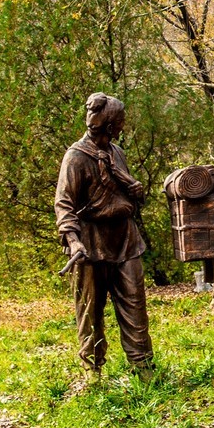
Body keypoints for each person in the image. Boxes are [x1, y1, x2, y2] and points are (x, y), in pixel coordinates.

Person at [54, 92, 154, 378]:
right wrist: (73, 241)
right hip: (91, 243)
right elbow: (64, 204)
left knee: (135, 306)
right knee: (90, 310)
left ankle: (143, 368)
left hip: (125, 240)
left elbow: (128, 196)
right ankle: (92, 372)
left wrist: (136, 192)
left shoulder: (117, 152)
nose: (123, 125)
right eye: (120, 121)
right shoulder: (76, 157)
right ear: (109, 124)